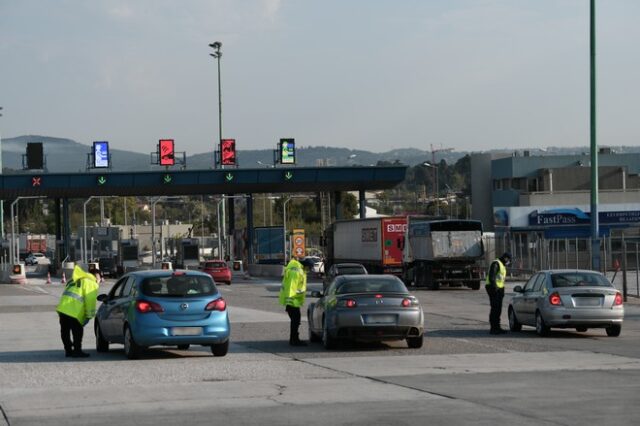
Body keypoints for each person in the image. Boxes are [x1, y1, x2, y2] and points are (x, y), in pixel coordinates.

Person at [56, 265, 101, 357]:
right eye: (100, 278)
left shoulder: (74, 279)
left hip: (63, 308)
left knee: (65, 331)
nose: (99, 281)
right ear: (97, 276)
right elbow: (90, 300)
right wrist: (89, 316)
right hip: (74, 311)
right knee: (77, 332)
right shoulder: (91, 283)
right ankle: (77, 351)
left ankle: (68, 351)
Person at [279, 257, 314, 346]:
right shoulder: (296, 271)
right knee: (295, 321)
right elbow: (291, 286)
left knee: (296, 321)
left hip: (293, 301)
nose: (309, 270)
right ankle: (294, 340)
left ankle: (294, 339)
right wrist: (290, 301)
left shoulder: (299, 270)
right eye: (309, 268)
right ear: (306, 266)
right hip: (292, 301)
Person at [485, 252, 512, 335]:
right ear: (506, 258)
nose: (509, 262)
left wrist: (501, 289)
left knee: (498, 309)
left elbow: (500, 279)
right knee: (495, 308)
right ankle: (493, 328)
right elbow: (492, 277)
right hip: (493, 288)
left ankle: (497, 327)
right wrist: (495, 288)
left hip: (499, 289)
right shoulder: (496, 263)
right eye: (509, 260)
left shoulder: (502, 265)